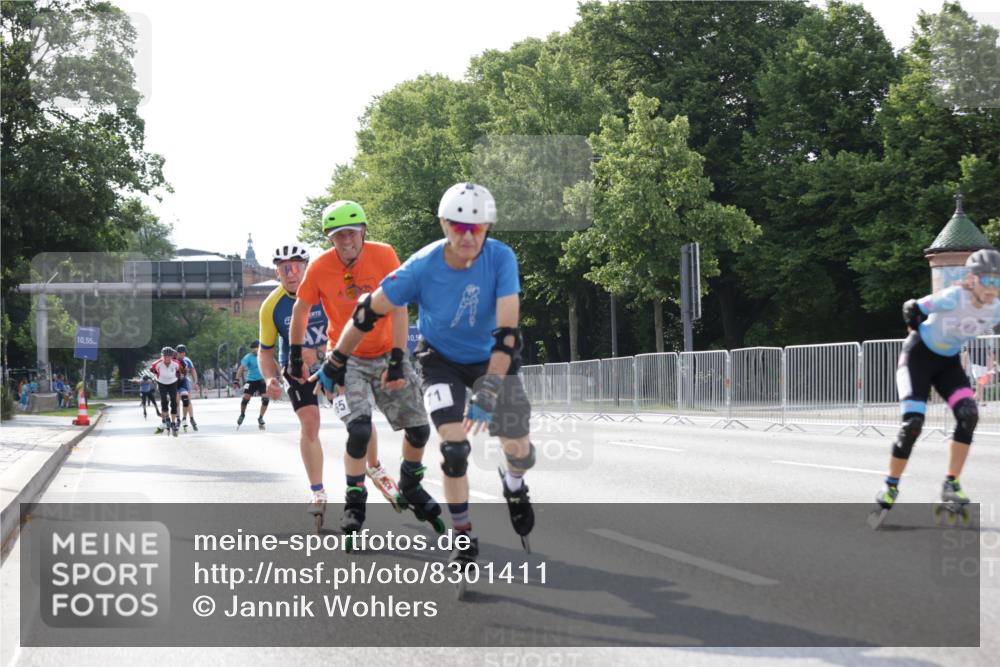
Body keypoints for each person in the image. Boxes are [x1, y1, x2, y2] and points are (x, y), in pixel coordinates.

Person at [324, 182, 536, 566]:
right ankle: (463, 537)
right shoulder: (422, 266)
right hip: (441, 361)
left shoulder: (501, 259)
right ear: (443, 223)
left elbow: (507, 337)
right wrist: (336, 359)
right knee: (455, 450)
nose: (467, 236)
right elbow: (367, 312)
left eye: (477, 227)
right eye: (458, 226)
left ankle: (515, 485)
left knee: (519, 449)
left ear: (488, 226)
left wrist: (488, 393)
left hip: (492, 357)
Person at [292, 200, 428, 537]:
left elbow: (398, 307)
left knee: (419, 429)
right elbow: (300, 309)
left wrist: (398, 357)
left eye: (352, 233)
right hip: (346, 355)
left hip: (386, 351)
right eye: (339, 236)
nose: (347, 241)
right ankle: (355, 503)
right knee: (359, 430)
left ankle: (409, 481)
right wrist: (295, 355)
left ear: (364, 231)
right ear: (330, 239)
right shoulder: (321, 267)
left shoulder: (384, 255)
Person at [871, 248, 1000, 527]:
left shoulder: (996, 307)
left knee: (969, 414)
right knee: (913, 424)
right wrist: (915, 332)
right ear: (972, 279)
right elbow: (911, 307)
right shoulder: (955, 297)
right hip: (918, 357)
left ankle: (951, 483)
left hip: (948, 364)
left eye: (998, 281)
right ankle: (890, 486)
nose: (993, 288)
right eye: (987, 281)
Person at [258, 244, 333, 520]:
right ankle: (318, 491)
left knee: (354, 418)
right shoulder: (271, 306)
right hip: (296, 366)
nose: (291, 273)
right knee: (310, 423)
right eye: (284, 268)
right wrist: (270, 378)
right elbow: (265, 351)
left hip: (331, 359)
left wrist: (327, 356)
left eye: (297, 266)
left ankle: (370, 471)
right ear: (277, 272)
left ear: (306, 267)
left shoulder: (325, 289)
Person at [235, 341, 268, 429]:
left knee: (265, 399)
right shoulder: (248, 357)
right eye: (253, 350)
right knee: (245, 398)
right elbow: (241, 368)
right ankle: (242, 414)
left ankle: (261, 418)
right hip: (251, 380)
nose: (254, 352)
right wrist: (236, 380)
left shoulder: (264, 356)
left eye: (256, 350)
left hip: (261, 380)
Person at [151, 347, 182, 436]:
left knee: (173, 401)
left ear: (172, 357)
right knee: (164, 400)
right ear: (162, 356)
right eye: (165, 357)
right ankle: (166, 419)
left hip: (172, 382)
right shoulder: (157, 364)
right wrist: (155, 377)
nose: (167, 359)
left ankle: (173, 422)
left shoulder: (176, 363)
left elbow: (178, 371)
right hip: (161, 382)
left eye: (169, 357)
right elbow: (153, 370)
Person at [175, 344, 199, 431]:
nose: (182, 355)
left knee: (187, 400)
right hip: (175, 382)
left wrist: (196, 382)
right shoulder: (173, 360)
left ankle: (190, 418)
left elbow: (193, 371)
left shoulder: (187, 360)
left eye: (183, 353)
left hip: (184, 382)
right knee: (176, 401)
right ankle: (178, 419)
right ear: (176, 353)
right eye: (180, 353)